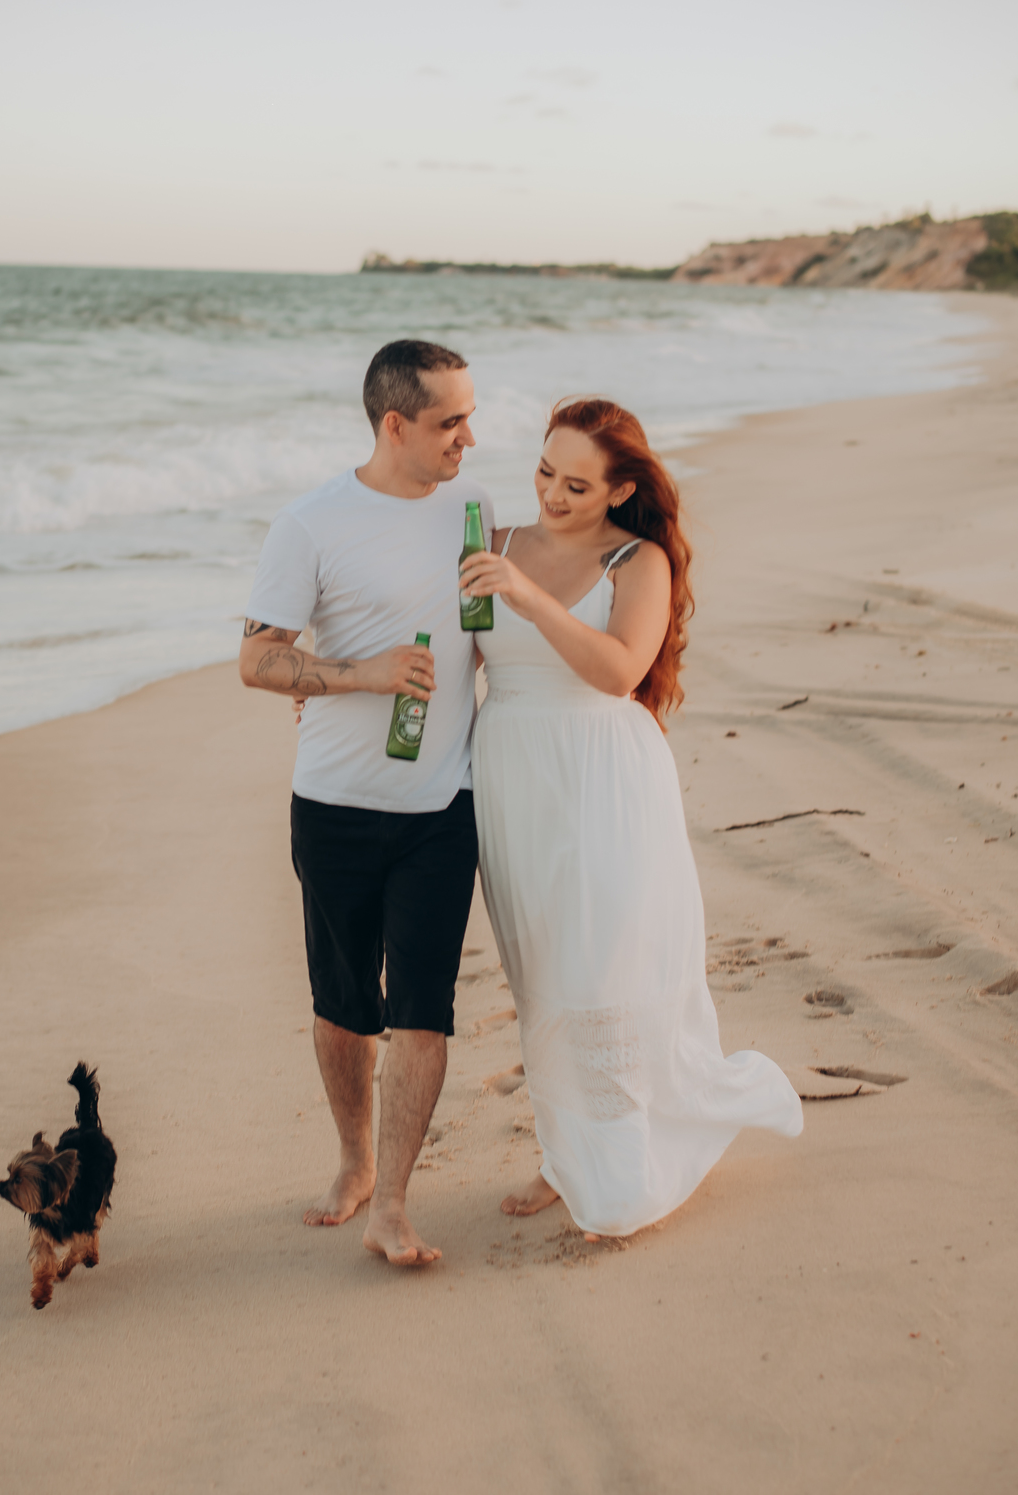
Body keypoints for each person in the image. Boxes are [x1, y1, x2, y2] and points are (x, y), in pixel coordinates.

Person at [459, 397, 802, 1240]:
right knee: (540, 972)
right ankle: (560, 1153)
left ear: (619, 490)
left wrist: (532, 597)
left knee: (605, 967)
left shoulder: (637, 560)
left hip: (605, 776)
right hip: (512, 769)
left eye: (577, 484)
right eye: (545, 472)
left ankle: (626, 1156)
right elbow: (458, 648)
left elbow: (618, 672)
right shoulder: (491, 541)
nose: (552, 493)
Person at [240, 339, 493, 1267]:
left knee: (425, 1008)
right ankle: (353, 1160)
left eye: (469, 413)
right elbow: (258, 658)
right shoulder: (310, 523)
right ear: (395, 424)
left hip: (443, 803)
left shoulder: (474, 506)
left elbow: (482, 632)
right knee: (346, 1005)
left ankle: (391, 1202)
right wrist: (362, 674)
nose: (470, 435)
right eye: (450, 421)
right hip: (338, 805)